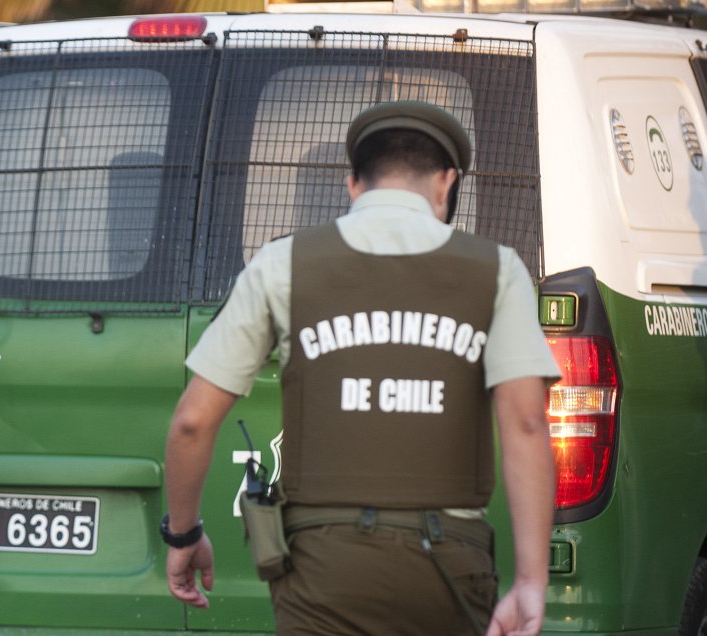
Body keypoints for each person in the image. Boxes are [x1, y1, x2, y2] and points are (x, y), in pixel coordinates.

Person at [161, 100, 559, 636]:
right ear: (446, 184)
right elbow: (528, 426)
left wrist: (184, 537)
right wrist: (531, 583)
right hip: (446, 568)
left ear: (353, 185)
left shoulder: (284, 263)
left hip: (323, 570)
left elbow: (192, 421)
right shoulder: (498, 270)